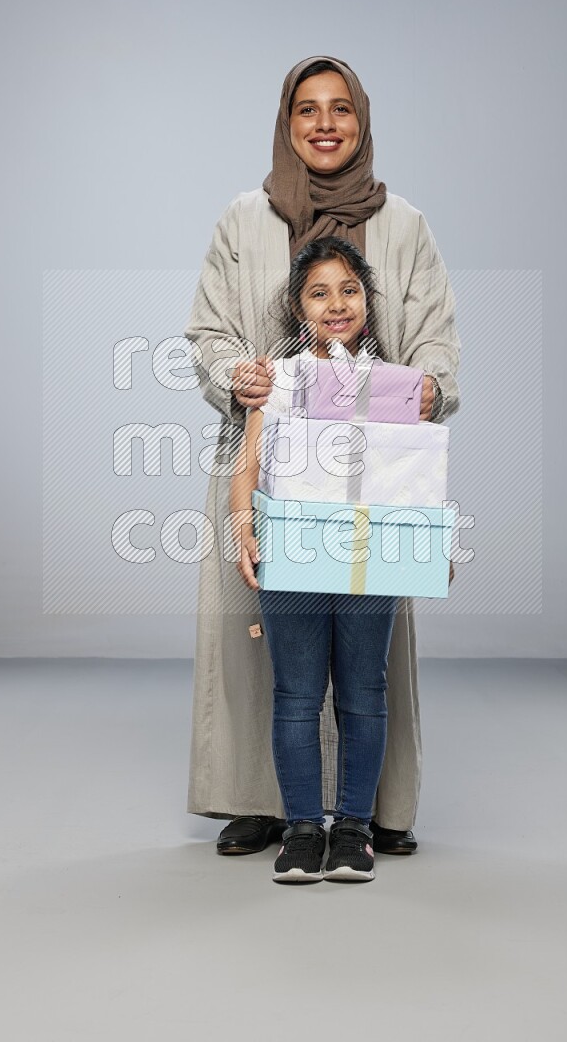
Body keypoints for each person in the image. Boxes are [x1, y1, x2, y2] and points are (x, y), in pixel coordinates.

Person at [185, 55, 460, 858]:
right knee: (260, 631)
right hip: (264, 460)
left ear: (362, 121)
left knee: (367, 657)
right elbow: (206, 329)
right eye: (307, 109)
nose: (325, 123)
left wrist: (431, 391)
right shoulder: (244, 219)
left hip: (374, 475)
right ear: (287, 122)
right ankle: (263, 801)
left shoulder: (404, 224)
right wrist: (233, 372)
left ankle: (370, 813)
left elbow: (437, 336)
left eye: (341, 108)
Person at [231, 234, 414, 882]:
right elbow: (247, 465)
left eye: (349, 289)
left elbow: (412, 473)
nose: (336, 303)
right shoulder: (277, 379)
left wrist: (428, 534)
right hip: (294, 554)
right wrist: (243, 527)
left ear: (366, 301)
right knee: (297, 695)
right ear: (297, 306)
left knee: (364, 693)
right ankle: (304, 830)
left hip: (371, 555)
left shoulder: (394, 386)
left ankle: (355, 832)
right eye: (319, 292)